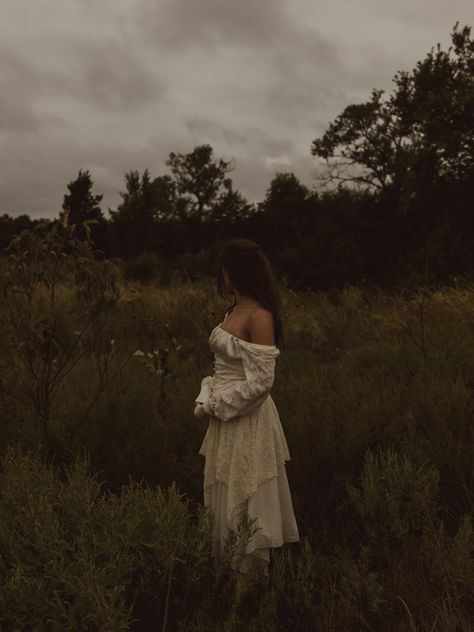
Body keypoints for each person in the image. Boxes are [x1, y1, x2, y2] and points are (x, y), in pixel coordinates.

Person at [194, 238, 300, 594]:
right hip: (225, 419)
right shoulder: (232, 312)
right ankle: (226, 578)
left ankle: (248, 590)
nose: (221, 277)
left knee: (246, 495)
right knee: (225, 490)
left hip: (246, 419)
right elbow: (223, 368)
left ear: (235, 272)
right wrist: (207, 391)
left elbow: (261, 383)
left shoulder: (260, 315)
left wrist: (217, 404)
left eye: (224, 270)